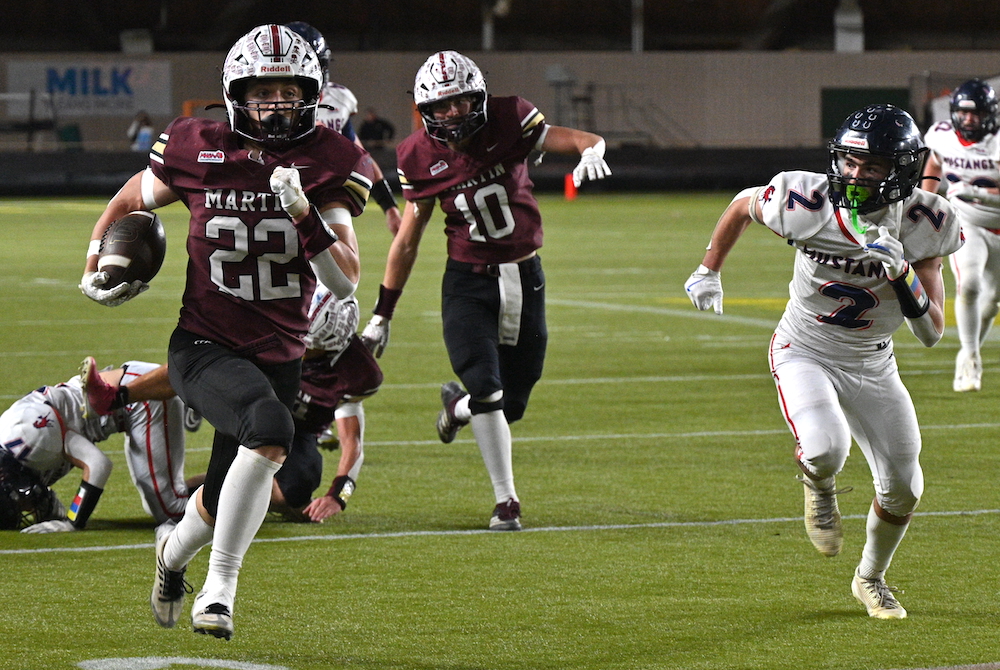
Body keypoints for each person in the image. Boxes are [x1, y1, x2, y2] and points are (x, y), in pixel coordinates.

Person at [78, 24, 373, 640]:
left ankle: (171, 557)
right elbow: (135, 194)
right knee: (272, 432)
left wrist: (302, 213)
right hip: (203, 342)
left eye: (289, 91)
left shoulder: (329, 159)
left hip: (280, 353)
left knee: (215, 501)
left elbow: (344, 281)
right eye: (262, 91)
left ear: (310, 93)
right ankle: (221, 590)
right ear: (238, 93)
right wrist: (94, 257)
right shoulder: (198, 144)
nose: (276, 104)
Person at [684, 104, 961, 619]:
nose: (856, 176)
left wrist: (902, 273)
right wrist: (708, 269)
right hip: (805, 348)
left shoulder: (928, 221)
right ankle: (819, 486)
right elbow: (745, 203)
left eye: (872, 166)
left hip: (874, 362)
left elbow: (931, 332)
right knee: (826, 448)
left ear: (900, 170)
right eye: (849, 162)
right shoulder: (805, 199)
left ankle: (870, 578)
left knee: (906, 486)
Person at [359, 50, 612, 531]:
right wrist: (381, 313)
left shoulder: (510, 117)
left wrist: (592, 151)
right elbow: (408, 240)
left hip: (525, 277)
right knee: (489, 390)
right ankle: (506, 501)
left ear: (479, 98)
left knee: (511, 402)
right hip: (468, 284)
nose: (452, 113)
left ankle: (457, 408)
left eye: (461, 101)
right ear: (424, 109)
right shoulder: (417, 154)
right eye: (442, 105)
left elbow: (580, 138)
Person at [0, 360, 188, 532]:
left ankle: (217, 494)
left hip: (138, 396)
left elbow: (98, 465)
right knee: (163, 499)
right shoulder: (18, 453)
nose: (23, 505)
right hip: (128, 391)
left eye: (18, 499)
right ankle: (214, 486)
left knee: (170, 509)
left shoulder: (30, 439)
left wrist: (73, 522)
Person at [286, 21, 402, 235]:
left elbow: (360, 156)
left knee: (343, 264)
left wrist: (389, 207)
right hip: (278, 201)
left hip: (328, 198)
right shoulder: (271, 108)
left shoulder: (338, 99)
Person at [921, 78, 1000, 392]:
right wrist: (925, 205)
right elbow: (934, 163)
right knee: (969, 284)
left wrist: (980, 191)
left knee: (993, 301)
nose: (968, 119)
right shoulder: (942, 136)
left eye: (975, 113)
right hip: (967, 221)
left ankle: (970, 352)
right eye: (963, 112)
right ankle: (970, 356)